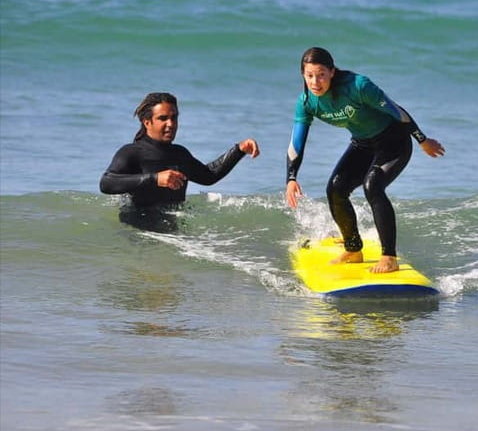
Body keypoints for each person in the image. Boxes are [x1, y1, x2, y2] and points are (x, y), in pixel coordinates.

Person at [285, 47, 445, 273]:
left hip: (394, 141)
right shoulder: (307, 103)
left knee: (373, 185)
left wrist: (422, 140)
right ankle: (353, 250)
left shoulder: (358, 86)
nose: (315, 82)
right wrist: (291, 177)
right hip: (363, 144)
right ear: (302, 74)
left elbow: (397, 111)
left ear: (332, 71)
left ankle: (389, 257)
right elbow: (296, 142)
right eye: (309, 75)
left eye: (321, 74)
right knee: (336, 189)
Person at [100, 92, 260, 231]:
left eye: (174, 118)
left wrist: (239, 150)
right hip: (138, 232)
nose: (171, 124)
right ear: (147, 122)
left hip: (173, 232)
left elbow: (209, 176)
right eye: (163, 118)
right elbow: (106, 183)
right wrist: (155, 178)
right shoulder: (131, 152)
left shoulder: (179, 154)